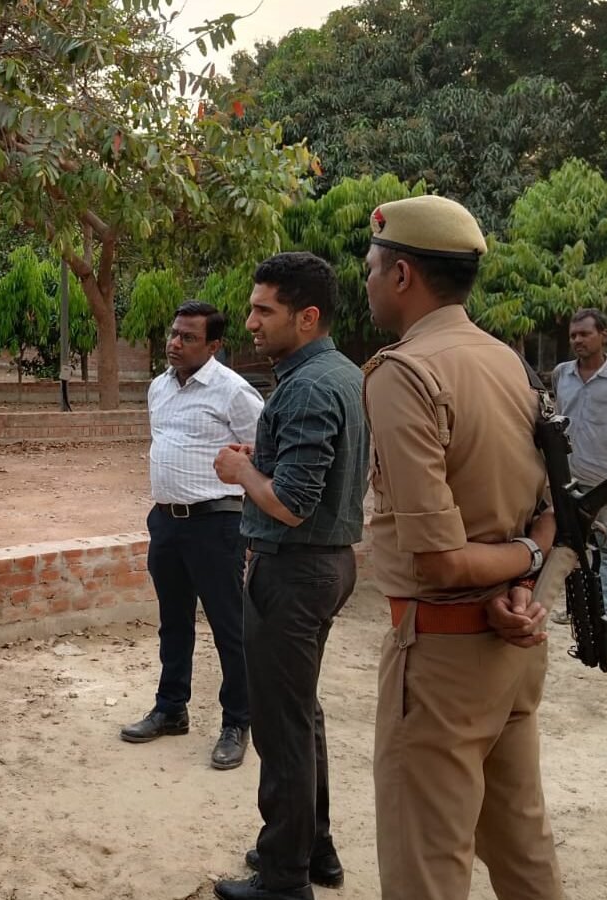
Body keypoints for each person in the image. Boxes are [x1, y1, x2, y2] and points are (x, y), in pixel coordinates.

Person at [361, 194, 563, 900]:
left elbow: (439, 559)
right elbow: (547, 512)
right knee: (522, 849)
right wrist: (526, 571)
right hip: (510, 642)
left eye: (372, 268)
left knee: (427, 866)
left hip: (441, 656)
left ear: (403, 275)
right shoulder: (508, 362)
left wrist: (526, 562)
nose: (368, 282)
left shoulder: (405, 372)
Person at [211, 252, 369, 900]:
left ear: (307, 317)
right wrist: (265, 457)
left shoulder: (306, 385)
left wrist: (241, 473)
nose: (250, 321)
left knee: (282, 729)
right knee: (300, 717)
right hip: (325, 567)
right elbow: (316, 474)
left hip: (294, 573)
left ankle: (283, 879)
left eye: (263, 310)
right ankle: (314, 850)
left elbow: (294, 504)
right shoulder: (342, 374)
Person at [120, 301, 263, 770]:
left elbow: (267, 449)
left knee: (229, 627)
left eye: (188, 338)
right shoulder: (158, 388)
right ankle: (170, 708)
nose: (175, 343)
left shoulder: (234, 392)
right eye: (174, 333)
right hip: (165, 522)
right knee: (173, 621)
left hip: (216, 523)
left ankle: (237, 722)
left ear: (215, 345)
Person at [550, 308, 607, 644]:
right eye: (573, 335)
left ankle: (605, 618)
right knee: (569, 545)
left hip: (601, 483)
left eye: (584, 334)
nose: (577, 340)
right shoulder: (562, 374)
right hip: (563, 479)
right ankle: (574, 611)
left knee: (603, 548)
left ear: (603, 335)